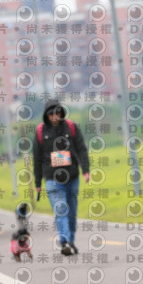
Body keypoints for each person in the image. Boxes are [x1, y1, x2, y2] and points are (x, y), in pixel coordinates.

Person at [33, 99, 89, 256]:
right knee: (61, 210)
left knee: (72, 212)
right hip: (52, 179)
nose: (54, 116)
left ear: (61, 112)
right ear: (46, 115)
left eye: (57, 112)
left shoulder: (71, 127)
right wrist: (37, 182)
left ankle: (70, 240)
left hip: (72, 176)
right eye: (50, 113)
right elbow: (37, 158)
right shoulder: (40, 132)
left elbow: (82, 149)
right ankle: (64, 241)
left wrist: (86, 170)